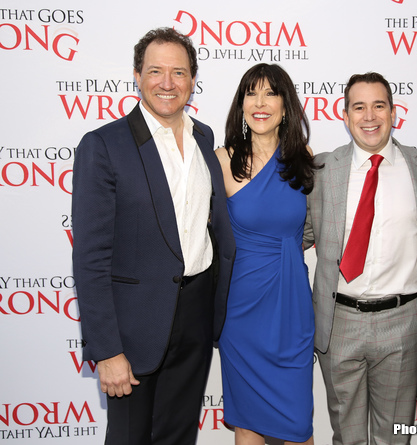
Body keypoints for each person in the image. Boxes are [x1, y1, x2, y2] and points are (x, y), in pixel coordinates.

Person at [72, 27, 235, 445]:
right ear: (137, 76)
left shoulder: (204, 139)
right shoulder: (103, 145)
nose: (168, 83)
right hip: (133, 330)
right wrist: (106, 350)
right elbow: (90, 258)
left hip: (196, 317)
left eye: (178, 72)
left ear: (193, 80)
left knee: (178, 437)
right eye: (156, 71)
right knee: (129, 438)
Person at [304, 72, 417, 445]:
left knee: (394, 437)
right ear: (345, 115)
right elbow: (292, 237)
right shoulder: (320, 171)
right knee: (346, 436)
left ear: (394, 113)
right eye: (358, 107)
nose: (369, 116)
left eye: (378, 105)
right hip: (339, 322)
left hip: (403, 322)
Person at [216, 63, 319, 445]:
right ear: (241, 103)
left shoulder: (303, 158)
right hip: (241, 313)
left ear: (285, 105)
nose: (260, 103)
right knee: (247, 425)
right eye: (251, 93)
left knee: (297, 429)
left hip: (291, 307)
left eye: (271, 93)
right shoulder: (222, 160)